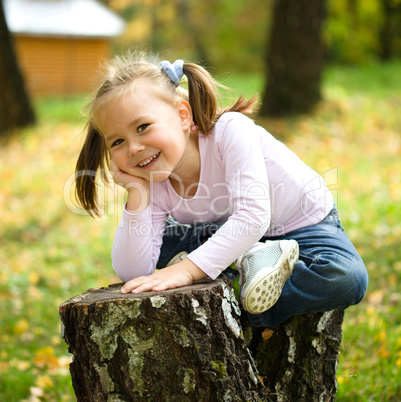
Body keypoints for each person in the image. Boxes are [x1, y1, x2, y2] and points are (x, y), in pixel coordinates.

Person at [75, 51, 368, 328]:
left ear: (182, 114)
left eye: (142, 127)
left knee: (345, 278)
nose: (134, 148)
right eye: (117, 142)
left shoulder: (230, 130)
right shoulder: (152, 179)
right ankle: (247, 258)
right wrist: (137, 194)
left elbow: (254, 217)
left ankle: (232, 296)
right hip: (226, 232)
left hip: (303, 226)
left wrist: (186, 271)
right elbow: (133, 271)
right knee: (160, 244)